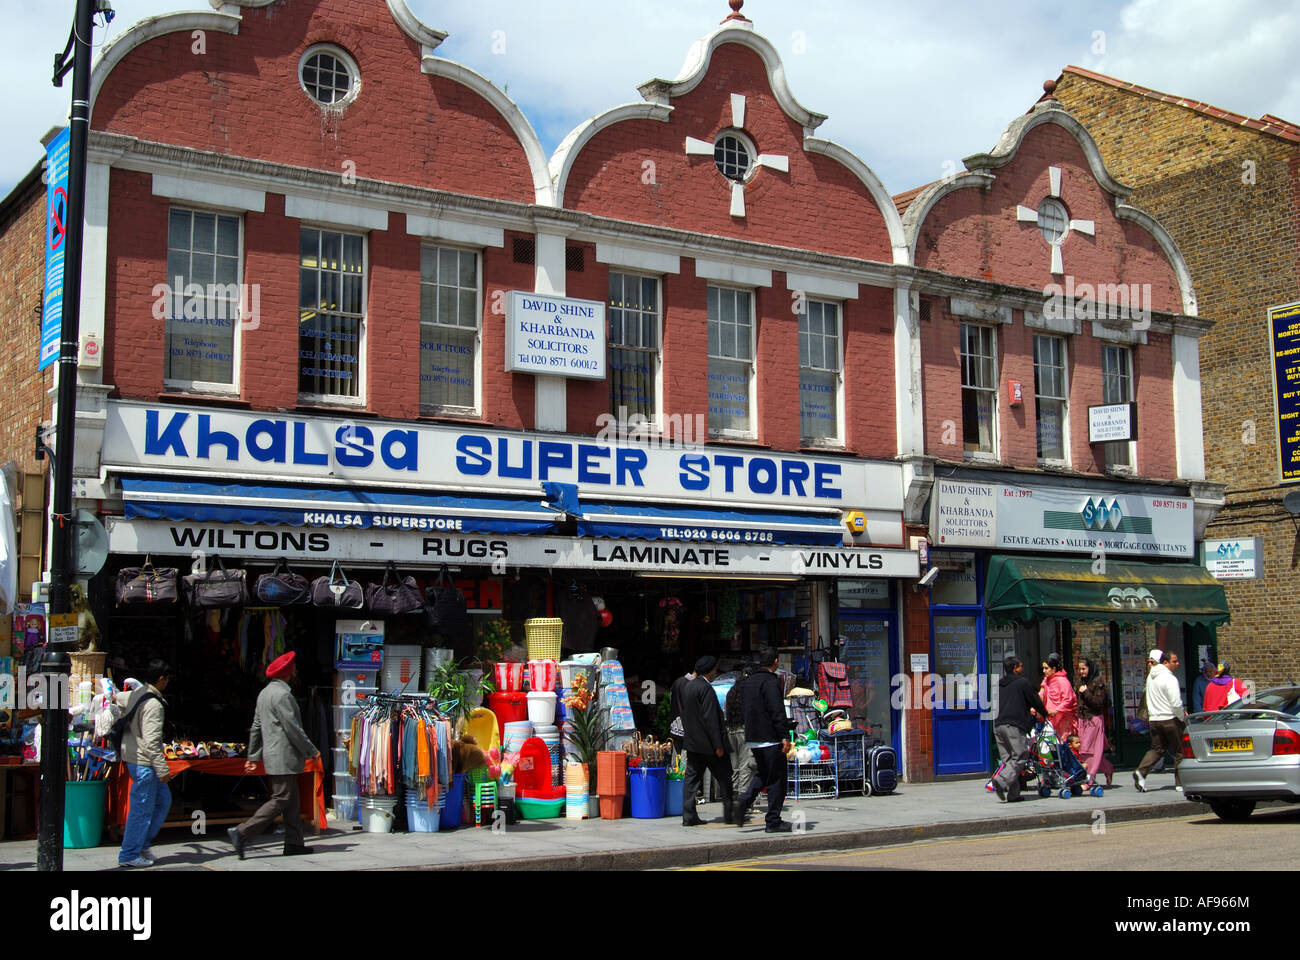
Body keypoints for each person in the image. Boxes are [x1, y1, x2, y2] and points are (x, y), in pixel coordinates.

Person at [227, 652, 321, 858]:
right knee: (282, 798)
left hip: (274, 755)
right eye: (293, 668)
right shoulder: (283, 695)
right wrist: (311, 750)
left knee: (292, 799)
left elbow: (256, 726)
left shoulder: (264, 694)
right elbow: (292, 728)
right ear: (288, 672)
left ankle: (294, 843)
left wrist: (253, 755)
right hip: (283, 756)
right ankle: (242, 832)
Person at [118, 660, 174, 868]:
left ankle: (141, 844)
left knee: (163, 799)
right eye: (167, 679)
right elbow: (152, 743)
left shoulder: (136, 694)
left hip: (135, 759)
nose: (168, 683)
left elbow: (119, 697)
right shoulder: (153, 704)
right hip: (144, 763)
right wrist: (162, 770)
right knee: (141, 809)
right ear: (161, 679)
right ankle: (129, 853)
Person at [732, 648, 793, 832]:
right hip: (770, 738)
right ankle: (773, 821)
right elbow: (776, 710)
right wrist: (784, 735)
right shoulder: (771, 681)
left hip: (753, 738)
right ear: (775, 661)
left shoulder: (748, 682)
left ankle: (743, 802)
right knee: (777, 780)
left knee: (763, 775)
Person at [679, 656, 733, 826]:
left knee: (691, 780)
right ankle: (730, 813)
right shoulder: (706, 689)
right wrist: (718, 744)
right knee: (725, 778)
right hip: (709, 745)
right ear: (710, 671)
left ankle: (688, 816)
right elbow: (711, 719)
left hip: (693, 744)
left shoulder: (688, 687)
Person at [990, 656, 1047, 802]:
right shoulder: (1023, 683)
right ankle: (1001, 781)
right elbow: (1035, 700)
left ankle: (1013, 794)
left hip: (998, 725)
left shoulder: (998, 684)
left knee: (1009, 760)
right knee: (1020, 756)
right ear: (1015, 668)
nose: (1022, 668)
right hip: (1013, 725)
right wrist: (1045, 713)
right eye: (1020, 666)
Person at [1134, 649, 1184, 792]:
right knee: (1180, 751)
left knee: (1157, 749)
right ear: (1165, 662)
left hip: (1154, 720)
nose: (1177, 664)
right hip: (1169, 719)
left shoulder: (1151, 677)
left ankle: (1141, 772)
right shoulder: (1170, 679)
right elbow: (1175, 703)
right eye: (1174, 661)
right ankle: (1180, 783)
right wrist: (1182, 717)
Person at [1075, 657, 1114, 787]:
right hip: (1083, 719)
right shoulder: (1081, 681)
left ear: (1090, 668)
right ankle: (1108, 768)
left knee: (1088, 752)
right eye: (1079, 669)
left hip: (1093, 719)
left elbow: (1098, 704)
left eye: (1083, 669)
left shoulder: (1098, 682)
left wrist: (1085, 692)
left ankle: (1088, 780)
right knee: (1087, 750)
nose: (1081, 672)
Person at [725, 662, 757, 798]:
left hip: (731, 730)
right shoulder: (750, 691)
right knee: (746, 766)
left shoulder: (732, 691)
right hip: (744, 732)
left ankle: (732, 795)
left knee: (734, 766)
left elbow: (726, 709)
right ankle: (743, 798)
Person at [1040, 653, 1077, 739]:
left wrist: (1056, 710)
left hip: (1063, 718)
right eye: (1043, 668)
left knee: (1063, 744)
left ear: (1054, 669)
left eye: (1046, 668)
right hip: (1050, 717)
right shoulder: (1046, 680)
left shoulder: (1062, 681)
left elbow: (1068, 699)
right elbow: (1041, 694)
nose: (1044, 671)